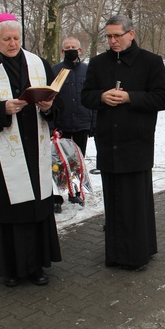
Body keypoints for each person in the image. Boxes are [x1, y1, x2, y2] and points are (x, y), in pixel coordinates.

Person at [0, 13, 62, 287]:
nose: (12, 43)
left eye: (16, 38)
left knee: (36, 207)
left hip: (36, 149)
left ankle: (38, 266)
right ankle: (11, 269)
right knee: (10, 209)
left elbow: (57, 101)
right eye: (6, 39)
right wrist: (0, 108)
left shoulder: (38, 63)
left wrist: (49, 107)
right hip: (3, 154)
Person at [81, 14, 165, 270]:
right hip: (109, 142)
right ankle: (116, 253)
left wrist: (130, 97)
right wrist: (102, 96)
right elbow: (86, 96)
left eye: (117, 36)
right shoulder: (98, 63)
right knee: (114, 200)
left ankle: (138, 253)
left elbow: (163, 99)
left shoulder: (151, 62)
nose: (112, 41)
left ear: (131, 34)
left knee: (135, 201)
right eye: (108, 36)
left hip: (137, 141)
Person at [50, 36, 96, 210]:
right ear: (62, 51)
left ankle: (75, 192)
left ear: (80, 50)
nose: (71, 50)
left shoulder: (88, 70)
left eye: (74, 47)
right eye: (67, 47)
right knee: (57, 162)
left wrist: (93, 123)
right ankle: (56, 196)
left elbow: (93, 97)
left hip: (82, 123)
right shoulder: (55, 71)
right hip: (60, 125)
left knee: (77, 160)